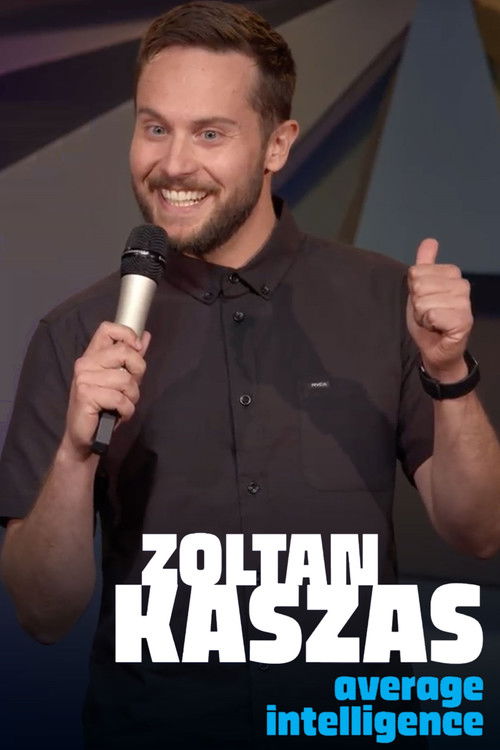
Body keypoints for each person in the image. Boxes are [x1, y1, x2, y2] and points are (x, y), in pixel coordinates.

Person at [0, 2, 499, 748]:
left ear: (277, 145)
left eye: (210, 133)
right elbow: (42, 614)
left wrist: (450, 374)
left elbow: (479, 531)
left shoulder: (383, 301)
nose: (174, 164)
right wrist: (75, 455)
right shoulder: (77, 337)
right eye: (155, 127)